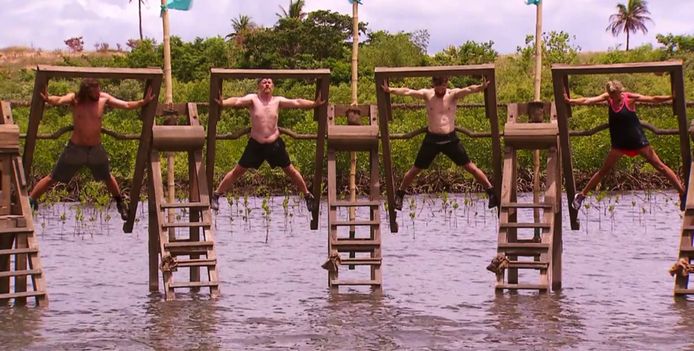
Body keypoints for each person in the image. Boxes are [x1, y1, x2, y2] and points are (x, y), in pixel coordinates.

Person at [30, 78, 155, 220]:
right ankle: (31, 199)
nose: (98, 93)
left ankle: (120, 204)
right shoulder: (75, 99)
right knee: (52, 177)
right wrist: (48, 99)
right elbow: (59, 100)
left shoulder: (103, 98)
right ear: (86, 91)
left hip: (95, 149)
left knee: (107, 177)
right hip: (75, 149)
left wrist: (142, 102)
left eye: (99, 90)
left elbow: (125, 104)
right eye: (95, 91)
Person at [382, 76, 499, 210]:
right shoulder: (427, 94)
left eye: (443, 86)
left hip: (450, 139)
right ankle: (400, 195)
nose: (441, 90)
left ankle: (491, 192)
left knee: (470, 167)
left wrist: (480, 88)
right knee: (415, 170)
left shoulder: (452, 94)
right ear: (433, 84)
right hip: (432, 139)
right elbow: (408, 91)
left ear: (446, 83)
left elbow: (468, 89)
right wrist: (389, 89)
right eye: (438, 87)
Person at [566, 80, 684, 210]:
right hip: (619, 143)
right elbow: (588, 100)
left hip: (637, 141)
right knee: (603, 170)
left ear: (620, 92)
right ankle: (582, 196)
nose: (612, 98)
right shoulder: (608, 98)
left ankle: (682, 192)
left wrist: (671, 97)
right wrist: (571, 102)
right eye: (610, 95)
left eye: (614, 95)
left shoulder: (629, 98)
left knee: (660, 166)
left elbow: (652, 99)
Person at [210, 78, 324, 212]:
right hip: (256, 144)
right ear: (259, 85)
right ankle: (216, 195)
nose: (267, 84)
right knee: (238, 171)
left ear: (273, 86)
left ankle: (307, 195)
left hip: (274, 144)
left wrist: (314, 104)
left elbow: (297, 102)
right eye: (264, 82)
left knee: (291, 171)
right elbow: (237, 100)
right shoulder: (253, 99)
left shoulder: (277, 101)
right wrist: (223, 103)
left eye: (269, 82)